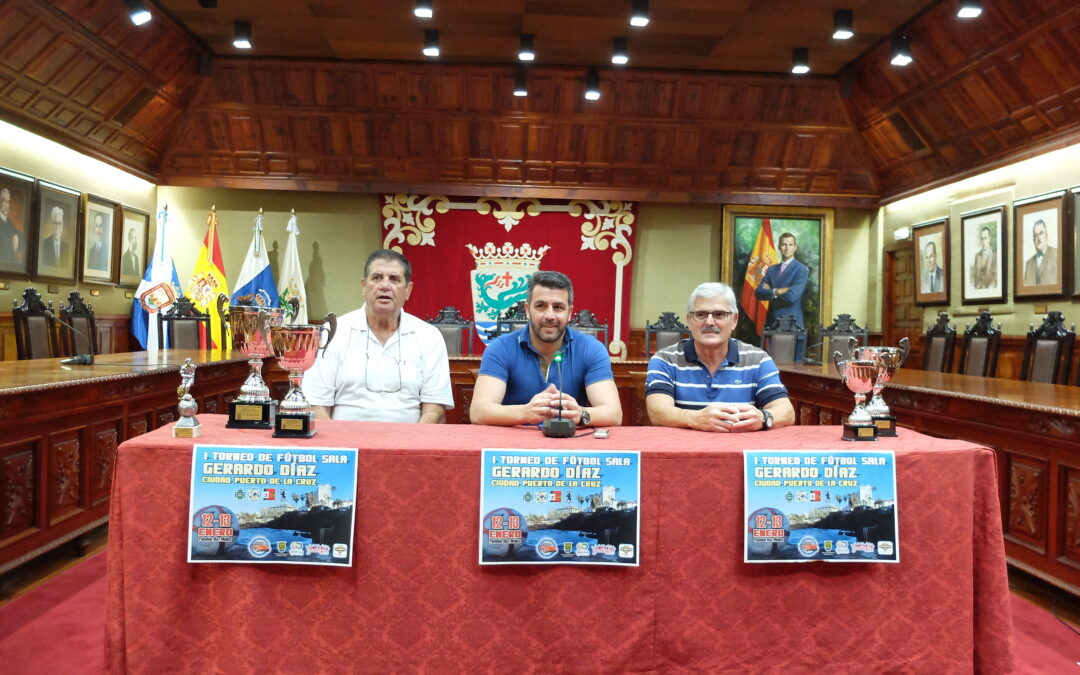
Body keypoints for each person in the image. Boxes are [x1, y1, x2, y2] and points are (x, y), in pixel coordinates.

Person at [302, 249, 453, 423]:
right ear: (364, 286)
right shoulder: (333, 331)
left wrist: (413, 446)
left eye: (394, 279)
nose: (385, 286)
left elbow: (434, 410)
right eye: (377, 278)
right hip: (347, 442)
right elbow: (316, 405)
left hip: (409, 441)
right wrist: (335, 445)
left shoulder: (429, 336)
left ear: (408, 290)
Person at [470, 270, 622, 427]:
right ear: (528, 310)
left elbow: (614, 414)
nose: (550, 315)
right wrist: (525, 413)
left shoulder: (592, 349)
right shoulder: (500, 348)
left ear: (570, 313)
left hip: (570, 446)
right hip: (512, 448)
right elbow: (479, 411)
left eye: (558, 307)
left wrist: (581, 414)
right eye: (541, 306)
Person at [647, 282, 794, 432]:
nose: (710, 322)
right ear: (689, 321)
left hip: (739, 448)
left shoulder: (758, 360)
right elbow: (657, 413)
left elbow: (786, 412)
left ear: (734, 320)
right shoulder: (665, 360)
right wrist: (696, 419)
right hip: (682, 450)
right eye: (700, 315)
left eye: (719, 315)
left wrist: (764, 417)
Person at [754, 232, 809, 360]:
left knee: (795, 371)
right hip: (772, 324)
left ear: (795, 247)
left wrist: (770, 292)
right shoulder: (771, 270)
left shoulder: (801, 269)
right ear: (779, 247)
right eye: (784, 244)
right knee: (772, 367)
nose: (787, 248)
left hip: (793, 324)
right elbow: (758, 293)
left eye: (790, 244)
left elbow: (791, 297)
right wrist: (777, 291)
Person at [1023, 218, 1057, 286]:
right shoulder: (1029, 263)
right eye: (1036, 235)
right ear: (1033, 240)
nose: (1038, 238)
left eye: (1041, 233)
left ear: (1046, 235)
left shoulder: (1057, 254)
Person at [40, 206, 71, 270]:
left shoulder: (67, 247)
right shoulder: (44, 244)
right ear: (51, 225)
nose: (57, 227)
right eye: (55, 223)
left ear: (63, 226)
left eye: (59, 223)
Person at [0, 187, 22, 266]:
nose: (6, 205)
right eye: (3, 201)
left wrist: (16, 236)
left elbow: (19, 235)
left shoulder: (9, 222)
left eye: (8, 202)